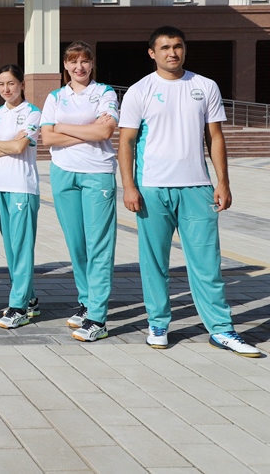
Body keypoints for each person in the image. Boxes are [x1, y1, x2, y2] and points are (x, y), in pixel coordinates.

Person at [118, 26, 261, 357]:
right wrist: (129, 186)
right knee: (155, 263)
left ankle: (221, 329)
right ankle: (158, 324)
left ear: (185, 49)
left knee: (207, 263)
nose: (172, 52)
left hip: (197, 188)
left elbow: (215, 137)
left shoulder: (204, 86)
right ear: (152, 53)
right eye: (165, 47)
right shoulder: (139, 91)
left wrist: (223, 182)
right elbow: (126, 142)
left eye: (178, 46)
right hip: (152, 188)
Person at [40, 41, 118, 342]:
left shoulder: (105, 92)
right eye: (73, 62)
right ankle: (86, 301)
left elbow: (105, 131)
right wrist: (86, 131)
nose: (79, 67)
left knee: (98, 244)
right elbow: (47, 138)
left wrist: (62, 127)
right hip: (63, 173)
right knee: (77, 244)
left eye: (84, 61)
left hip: (97, 173)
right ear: (65, 65)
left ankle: (97, 316)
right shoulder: (56, 96)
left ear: (92, 63)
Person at [0, 65, 42, 329]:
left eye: (11, 83)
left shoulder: (32, 113)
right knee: (10, 247)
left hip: (22, 186)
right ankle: (30, 298)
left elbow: (20, 147)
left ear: (22, 85)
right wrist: (3, 144)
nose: (6, 89)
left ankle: (18, 306)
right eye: (1, 84)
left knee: (21, 247)